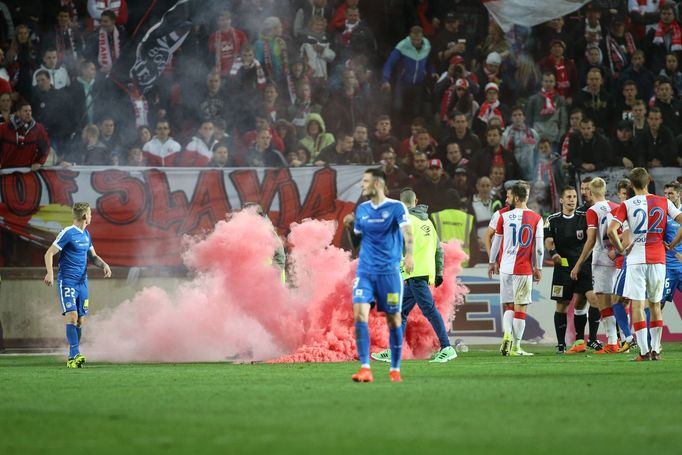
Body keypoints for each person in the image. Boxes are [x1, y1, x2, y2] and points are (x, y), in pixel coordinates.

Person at [343, 168, 414, 382]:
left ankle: (395, 370)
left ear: (377, 184)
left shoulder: (396, 207)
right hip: (365, 271)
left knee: (393, 320)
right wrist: (349, 226)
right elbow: (356, 243)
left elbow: (407, 233)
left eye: (365, 181)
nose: (361, 185)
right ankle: (365, 368)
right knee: (359, 315)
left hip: (389, 273)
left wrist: (409, 255)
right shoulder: (362, 209)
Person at [371, 188, 456, 364]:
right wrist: (438, 272)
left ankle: (447, 348)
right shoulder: (428, 223)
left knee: (429, 310)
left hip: (414, 274)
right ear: (416, 201)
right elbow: (438, 249)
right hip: (420, 274)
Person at [609, 168, 682, 361]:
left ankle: (643, 352)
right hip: (658, 259)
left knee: (637, 306)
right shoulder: (664, 202)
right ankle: (656, 350)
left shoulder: (627, 204)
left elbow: (611, 230)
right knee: (655, 305)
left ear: (631, 185)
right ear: (649, 180)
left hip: (636, 260)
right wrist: (673, 244)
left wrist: (621, 250)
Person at [43, 202, 112, 368]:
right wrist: (50, 272)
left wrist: (104, 265)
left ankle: (73, 355)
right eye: (90, 214)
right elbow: (49, 252)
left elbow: (93, 256)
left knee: (81, 320)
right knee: (72, 316)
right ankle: (75, 355)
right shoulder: (68, 232)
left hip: (83, 283)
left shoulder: (86, 234)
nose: (91, 216)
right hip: (67, 281)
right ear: (84, 216)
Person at [488, 181, 544, 356]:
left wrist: (491, 262)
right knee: (521, 308)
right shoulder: (536, 218)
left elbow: (496, 242)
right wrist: (538, 267)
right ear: (524, 197)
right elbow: (539, 248)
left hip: (505, 268)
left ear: (516, 198)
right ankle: (517, 346)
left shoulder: (504, 217)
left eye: (510, 196)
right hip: (523, 269)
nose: (508, 198)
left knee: (509, 306)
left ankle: (507, 335)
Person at [570, 178, 620, 354]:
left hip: (601, 259)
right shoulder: (616, 206)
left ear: (590, 192)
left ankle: (612, 342)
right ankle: (623, 340)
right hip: (617, 259)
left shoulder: (592, 211)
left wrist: (578, 264)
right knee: (618, 301)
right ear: (605, 190)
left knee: (603, 302)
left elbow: (591, 240)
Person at [545, 186, 593, 353]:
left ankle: (582, 340)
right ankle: (561, 343)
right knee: (562, 304)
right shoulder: (552, 219)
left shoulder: (585, 217)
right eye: (569, 197)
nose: (572, 199)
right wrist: (553, 253)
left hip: (583, 266)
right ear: (561, 200)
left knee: (585, 300)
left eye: (574, 197)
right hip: (563, 268)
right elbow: (549, 240)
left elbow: (591, 240)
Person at [661, 181, 682, 310]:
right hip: (667, 266)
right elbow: (659, 240)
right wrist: (675, 253)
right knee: (658, 303)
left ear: (679, 194)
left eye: (671, 193)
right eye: (665, 194)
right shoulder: (662, 214)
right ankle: (650, 331)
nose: (667, 197)